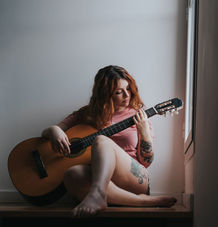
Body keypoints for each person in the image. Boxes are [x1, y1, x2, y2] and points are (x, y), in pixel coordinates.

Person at [41, 65, 177, 217]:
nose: (127, 95)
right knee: (71, 174)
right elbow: (47, 133)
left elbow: (146, 162)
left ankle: (98, 194)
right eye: (119, 92)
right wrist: (55, 130)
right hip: (101, 179)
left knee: (101, 140)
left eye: (128, 89)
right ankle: (142, 202)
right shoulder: (87, 114)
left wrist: (144, 132)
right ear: (105, 94)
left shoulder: (139, 116)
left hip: (133, 178)